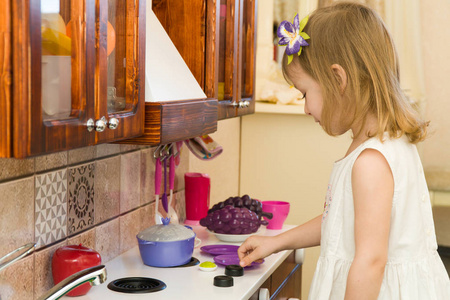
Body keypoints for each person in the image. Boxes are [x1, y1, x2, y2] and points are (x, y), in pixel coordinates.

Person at [237, 2, 450, 299]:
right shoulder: (384, 143)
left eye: (305, 93)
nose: (306, 108)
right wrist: (276, 242)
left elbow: (370, 262)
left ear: (338, 80)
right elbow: (339, 222)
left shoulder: (371, 162)